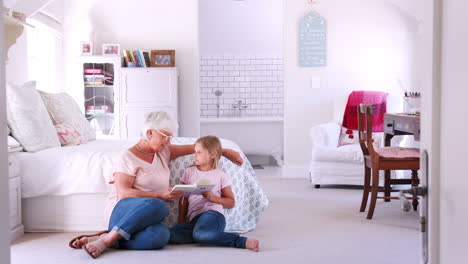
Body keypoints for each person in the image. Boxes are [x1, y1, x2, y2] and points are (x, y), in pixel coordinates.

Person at [68, 112, 244, 258]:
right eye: (165, 136)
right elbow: (123, 193)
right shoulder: (127, 157)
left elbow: (197, 147)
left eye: (170, 137)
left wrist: (225, 150)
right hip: (123, 211)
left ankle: (110, 238)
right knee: (159, 206)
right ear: (150, 132)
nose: (168, 142)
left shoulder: (164, 151)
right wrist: (159, 195)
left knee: (162, 236)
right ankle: (108, 239)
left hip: (149, 216)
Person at [170, 136, 260, 252]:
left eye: (199, 152)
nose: (194, 155)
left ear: (212, 154)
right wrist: (181, 222)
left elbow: (230, 202)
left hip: (213, 214)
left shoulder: (219, 175)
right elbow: (184, 200)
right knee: (171, 234)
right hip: (194, 219)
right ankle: (207, 235)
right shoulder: (189, 172)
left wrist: (213, 198)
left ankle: (241, 241)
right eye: (194, 152)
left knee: (200, 234)